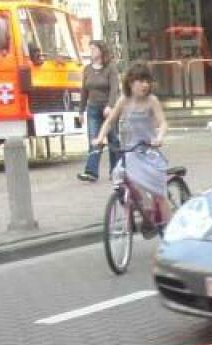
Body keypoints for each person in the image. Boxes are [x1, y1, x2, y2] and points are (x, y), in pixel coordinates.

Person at [94, 62, 171, 236]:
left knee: (159, 193)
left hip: (148, 152)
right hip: (130, 152)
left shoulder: (152, 101)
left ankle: (173, 232)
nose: (145, 85)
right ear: (130, 82)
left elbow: (163, 122)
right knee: (121, 177)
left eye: (147, 81)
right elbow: (109, 121)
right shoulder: (124, 100)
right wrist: (100, 138)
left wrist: (158, 138)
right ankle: (143, 208)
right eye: (140, 81)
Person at [77, 41, 119, 182]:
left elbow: (114, 89)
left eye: (94, 48)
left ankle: (116, 170)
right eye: (90, 49)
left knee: (113, 139)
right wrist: (81, 110)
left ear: (101, 51)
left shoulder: (110, 68)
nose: (91, 51)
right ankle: (91, 171)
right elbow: (84, 91)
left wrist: (110, 105)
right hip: (93, 108)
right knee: (94, 139)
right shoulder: (87, 69)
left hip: (108, 108)